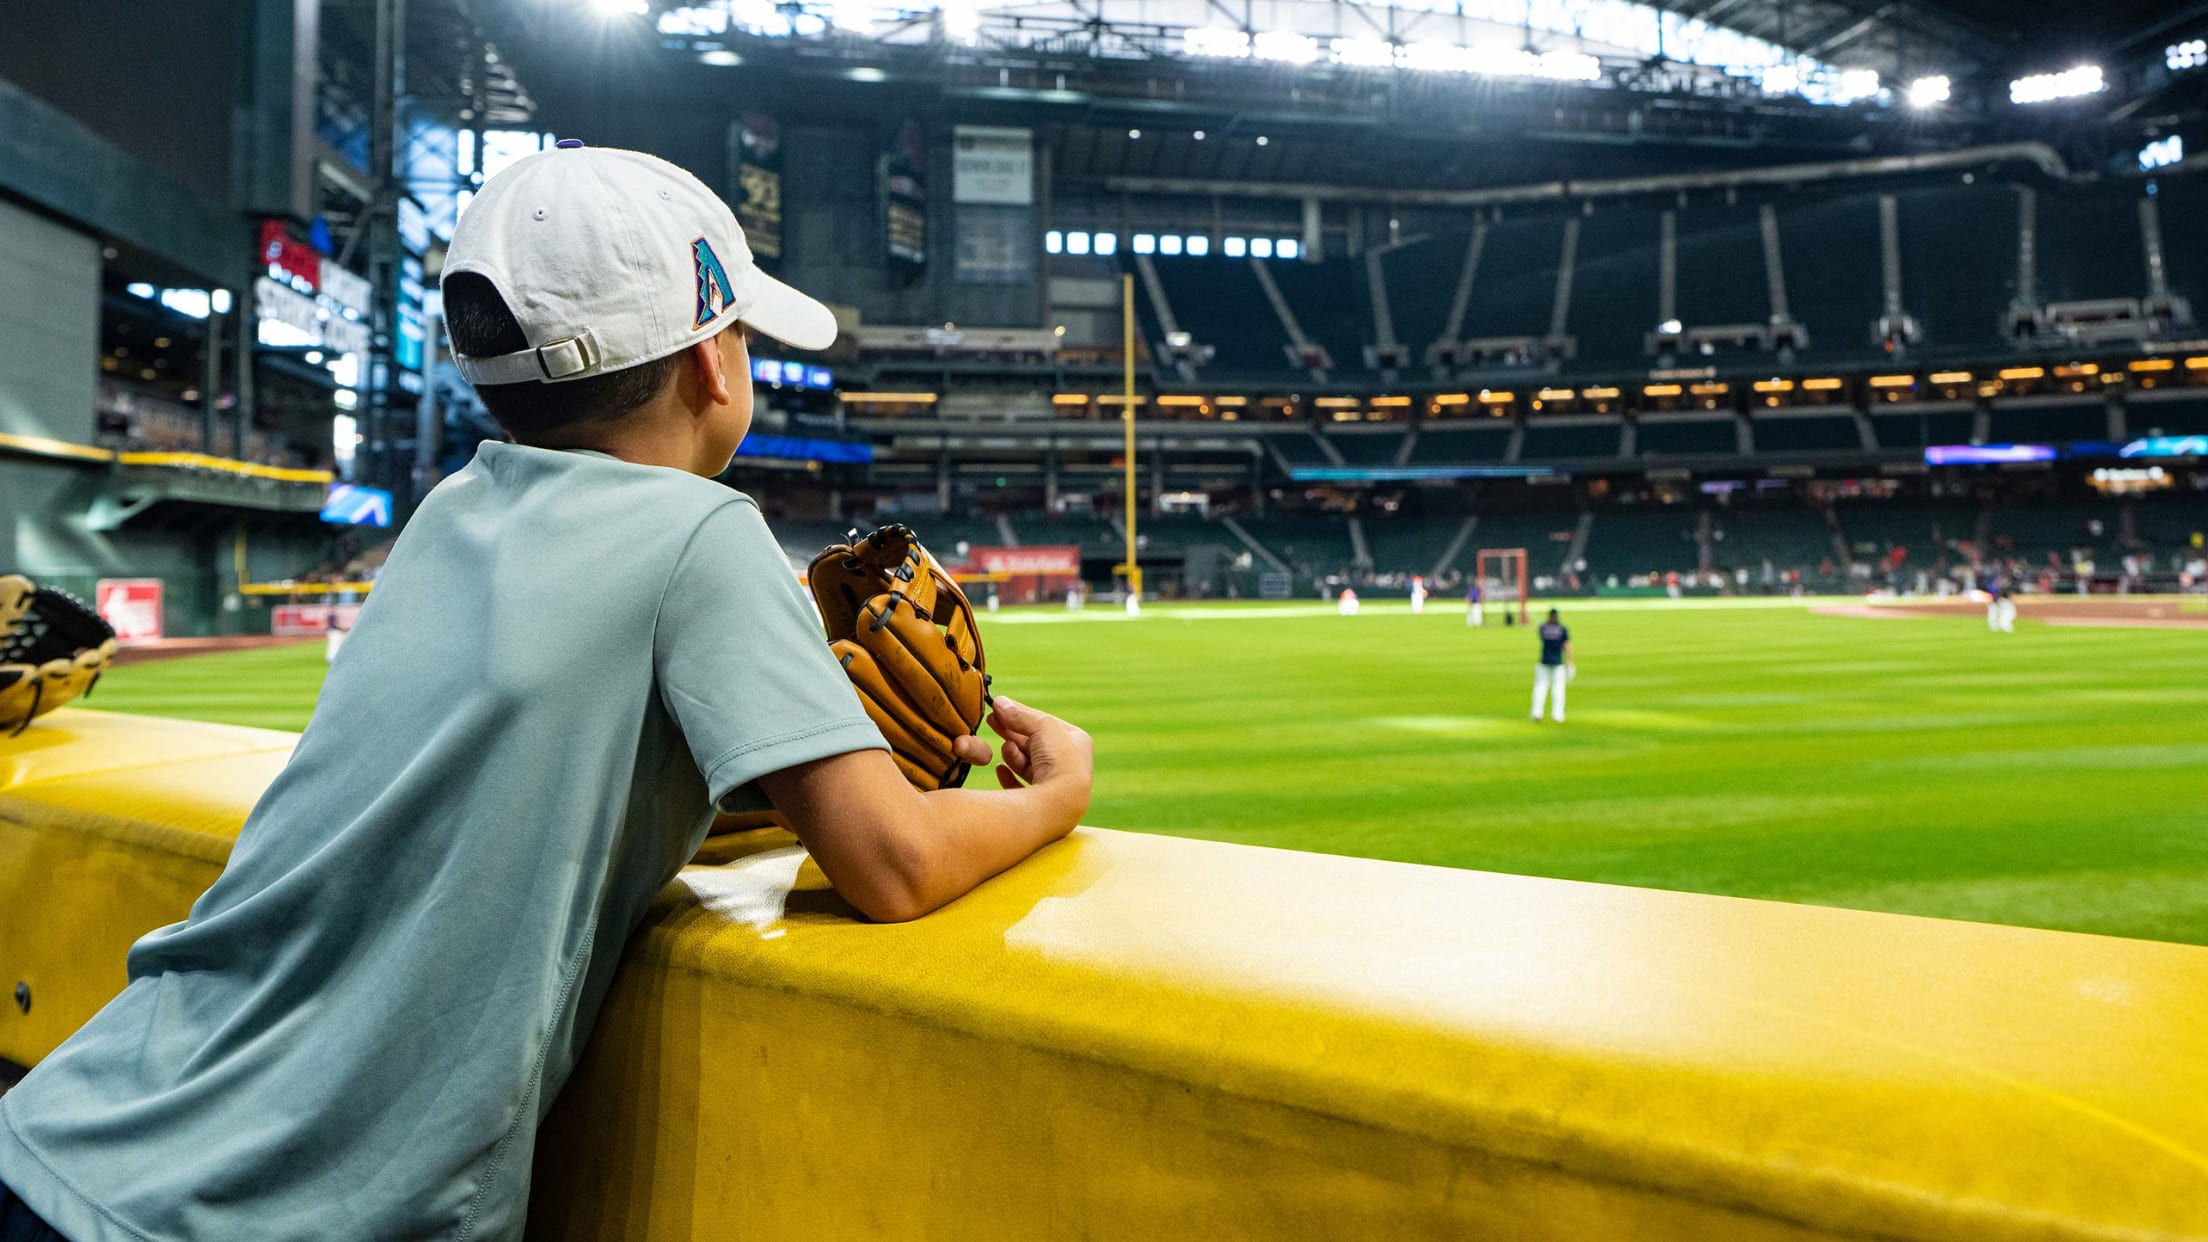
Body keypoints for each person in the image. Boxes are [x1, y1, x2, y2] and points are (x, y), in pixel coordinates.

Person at [0, 144, 1093, 1242]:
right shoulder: (704, 534)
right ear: (714, 362)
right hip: (255, 1218)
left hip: (73, 1124)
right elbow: (893, 866)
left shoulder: (443, 518)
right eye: (748, 336)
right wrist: (1054, 795)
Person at [1531, 607, 1573, 723]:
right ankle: (1557, 715)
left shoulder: (1543, 628)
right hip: (1558, 662)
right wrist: (1569, 662)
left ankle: (1537, 713)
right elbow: (1567, 645)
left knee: (1540, 688)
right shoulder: (1562, 629)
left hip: (1544, 661)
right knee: (1558, 689)